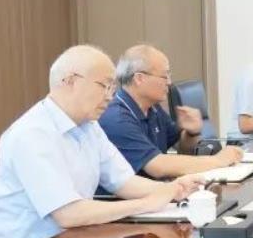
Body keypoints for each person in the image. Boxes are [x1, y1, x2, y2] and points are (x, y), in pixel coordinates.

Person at [0, 46, 201, 238]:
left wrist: (173, 189)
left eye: (112, 88)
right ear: (69, 81)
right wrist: (146, 203)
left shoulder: (90, 126)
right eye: (104, 86)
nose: (110, 96)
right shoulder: (32, 134)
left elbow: (123, 182)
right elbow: (68, 214)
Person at [99, 45, 244, 178]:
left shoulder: (153, 108)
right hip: (125, 196)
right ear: (139, 79)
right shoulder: (117, 117)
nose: (169, 82)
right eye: (164, 76)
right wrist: (218, 160)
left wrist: (191, 133)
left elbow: (182, 149)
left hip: (156, 190)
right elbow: (158, 166)